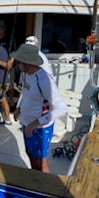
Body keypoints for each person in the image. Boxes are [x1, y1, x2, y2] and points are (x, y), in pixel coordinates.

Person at [10, 44, 67, 172]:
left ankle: (46, 188)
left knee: (40, 163)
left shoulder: (44, 80)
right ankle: (34, 180)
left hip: (41, 128)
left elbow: (62, 108)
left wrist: (35, 123)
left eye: (19, 61)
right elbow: (25, 92)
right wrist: (19, 107)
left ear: (27, 63)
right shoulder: (25, 74)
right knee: (29, 154)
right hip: (26, 123)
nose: (17, 63)